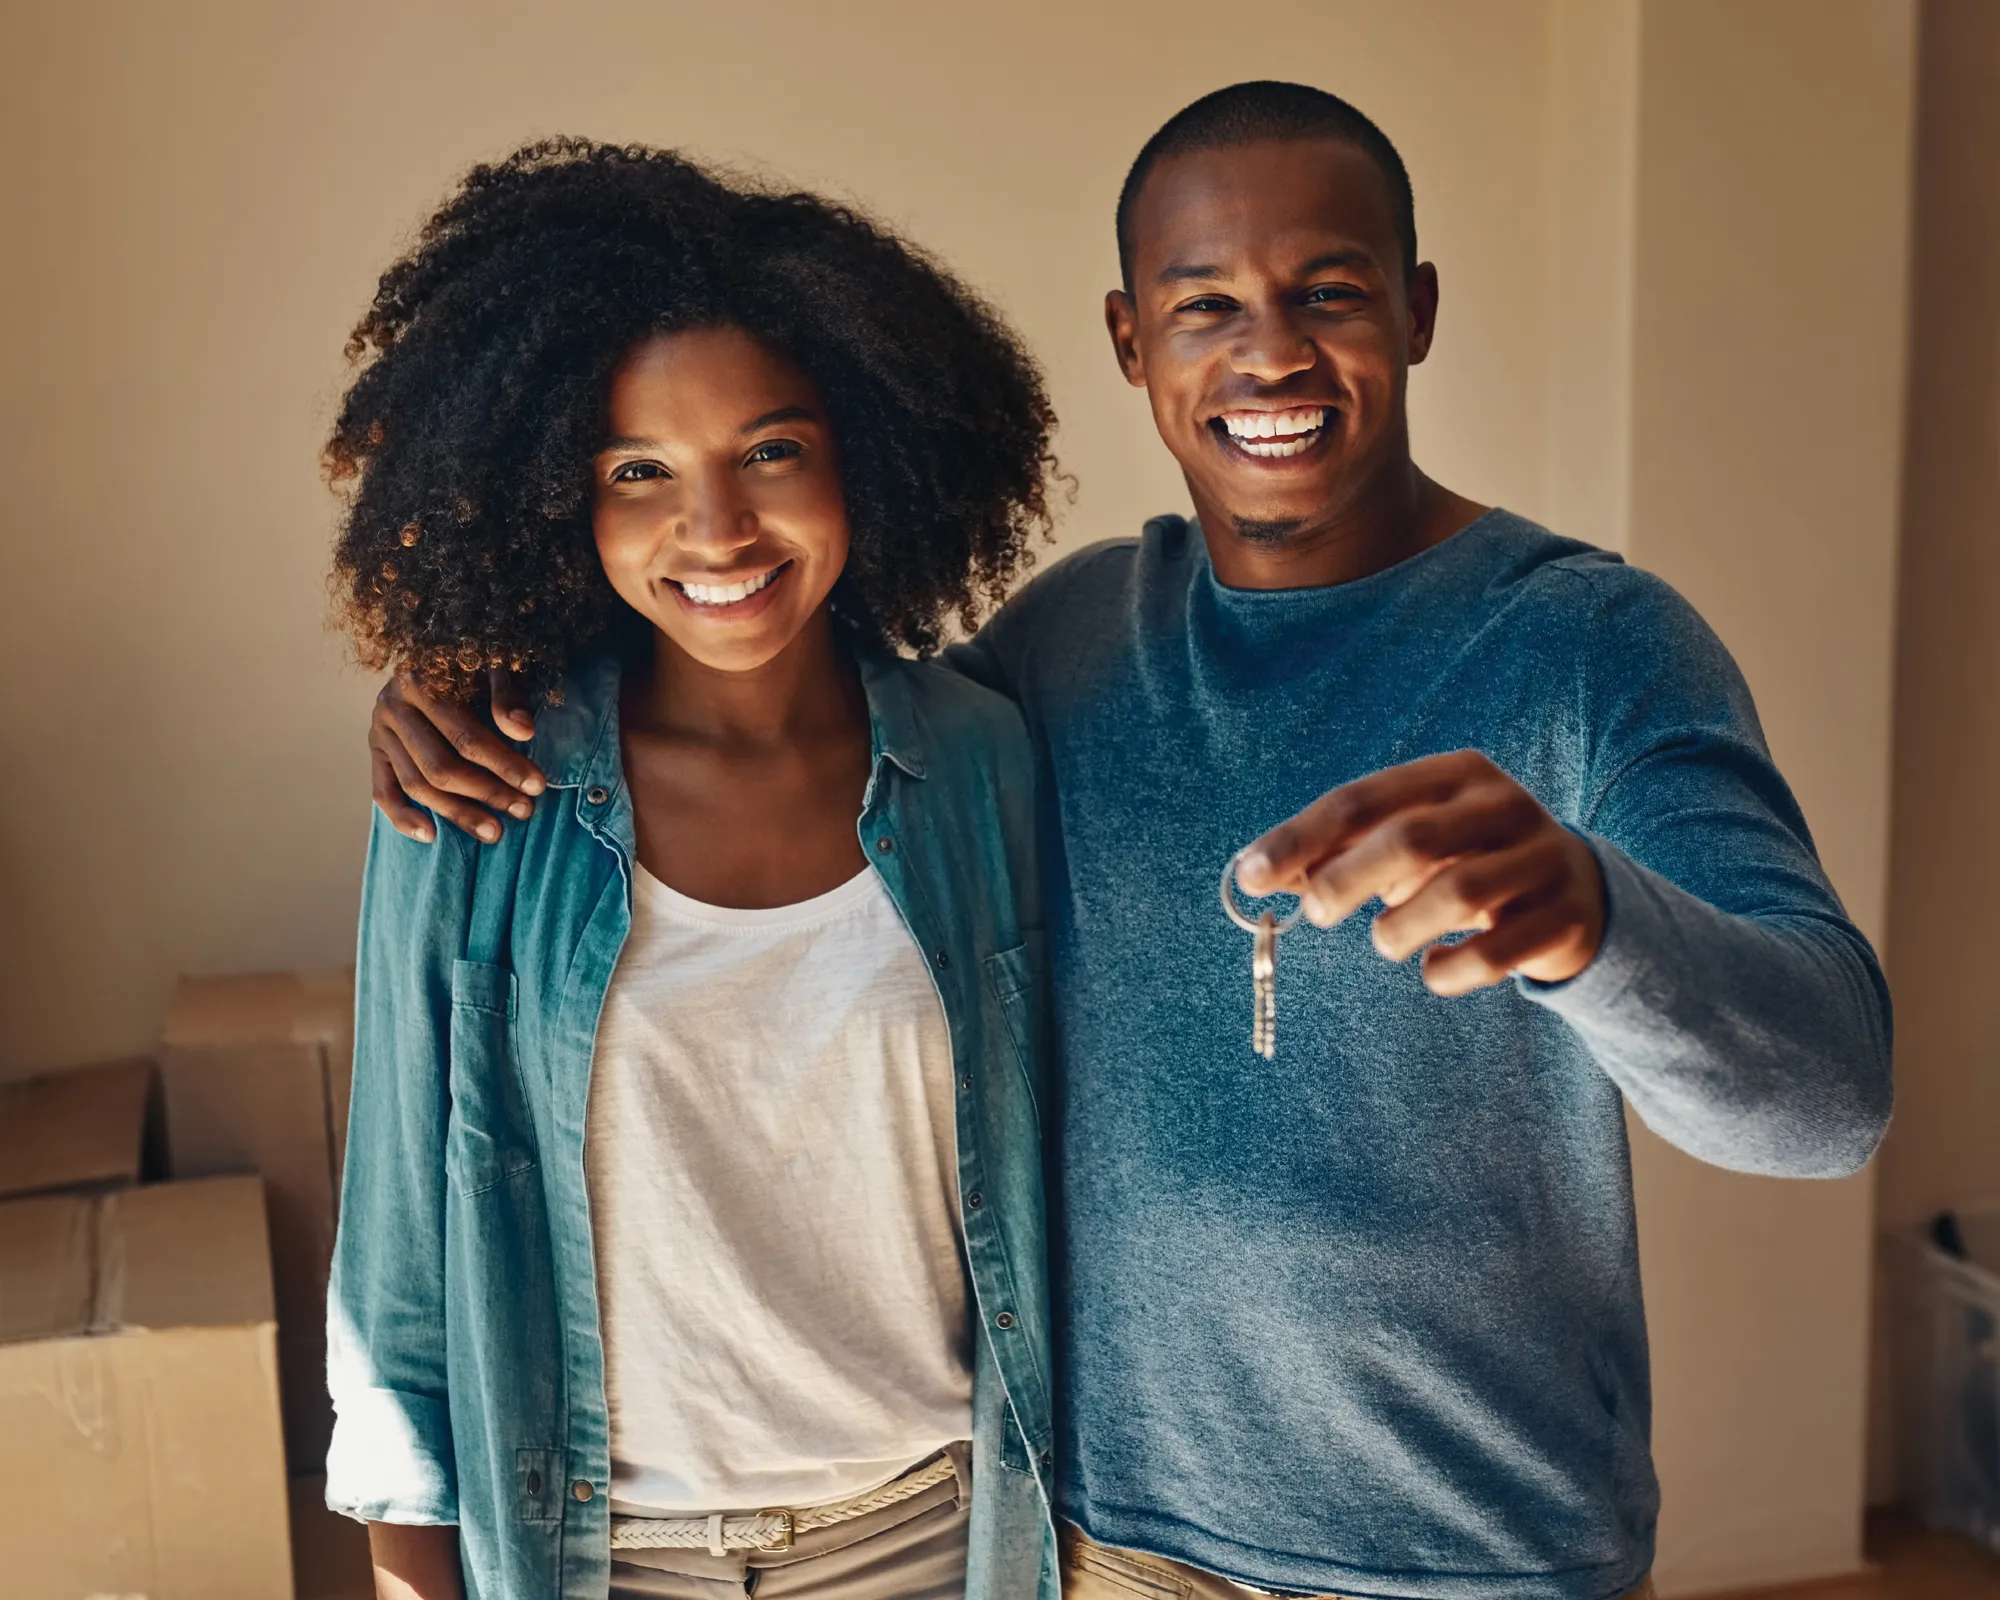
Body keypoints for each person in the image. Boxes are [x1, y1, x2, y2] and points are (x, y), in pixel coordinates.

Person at [368, 87, 1893, 1600]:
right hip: (1113, 1548)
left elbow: (1829, 1105)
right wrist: (465, 670)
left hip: (1478, 1555)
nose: (1270, 353)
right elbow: (779, 684)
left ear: (1418, 310)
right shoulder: (1069, 648)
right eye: (1205, 303)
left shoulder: (1590, 647)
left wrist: (1593, 920)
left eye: (1329, 293)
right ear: (1129, 340)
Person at [323, 139, 1063, 1600]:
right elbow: (396, 1282)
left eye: (771, 451)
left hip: (936, 1538)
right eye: (637, 470)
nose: (717, 528)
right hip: (596, 1558)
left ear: (865, 449)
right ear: (556, 499)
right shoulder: (484, 792)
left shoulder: (985, 763)